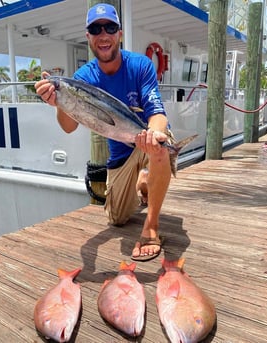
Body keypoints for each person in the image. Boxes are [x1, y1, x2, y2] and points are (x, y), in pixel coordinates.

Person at [35, 3, 172, 262]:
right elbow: (68, 126)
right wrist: (58, 102)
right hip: (121, 151)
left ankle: (151, 227)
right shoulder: (82, 77)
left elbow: (157, 112)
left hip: (146, 135)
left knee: (161, 149)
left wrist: (154, 136)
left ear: (119, 33)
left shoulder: (141, 65)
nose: (103, 35)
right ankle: (144, 181)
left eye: (109, 27)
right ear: (88, 37)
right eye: (95, 29)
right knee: (117, 219)